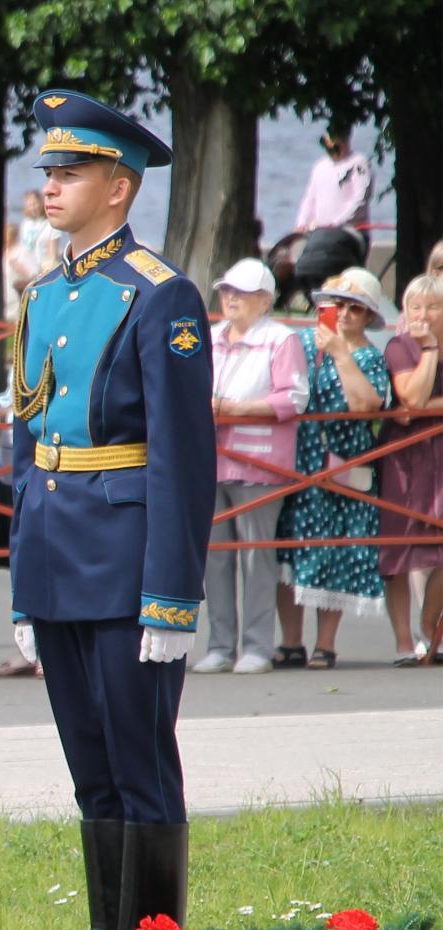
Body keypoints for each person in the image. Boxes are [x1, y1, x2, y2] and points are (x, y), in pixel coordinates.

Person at [10, 89, 214, 930]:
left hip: (127, 557)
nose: (51, 185)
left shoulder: (159, 295)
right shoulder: (43, 296)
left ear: (119, 187)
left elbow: (181, 458)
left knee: (139, 764)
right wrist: (23, 586)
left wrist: (171, 597)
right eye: (48, 170)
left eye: (70, 171)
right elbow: (24, 450)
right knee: (88, 767)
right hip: (56, 555)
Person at [274, 268, 393, 669]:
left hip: (347, 465)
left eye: (354, 308)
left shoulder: (368, 357)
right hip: (300, 464)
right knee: (290, 554)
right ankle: (290, 642)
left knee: (338, 554)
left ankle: (326, 644)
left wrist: (342, 354)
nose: (343, 314)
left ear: (367, 317)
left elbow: (366, 406)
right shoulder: (302, 343)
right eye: (335, 304)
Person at [196, 259, 307, 676]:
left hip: (258, 461)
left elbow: (293, 398)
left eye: (240, 293)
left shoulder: (281, 339)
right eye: (226, 291)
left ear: (264, 300)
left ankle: (257, 646)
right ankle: (221, 645)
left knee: (257, 557)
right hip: (212, 460)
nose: (230, 299)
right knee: (215, 556)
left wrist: (240, 409)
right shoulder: (210, 337)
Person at [379, 276, 443, 662]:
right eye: (414, 306)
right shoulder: (399, 346)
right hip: (406, 457)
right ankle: (404, 642)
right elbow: (413, 398)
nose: (422, 315)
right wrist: (430, 350)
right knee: (398, 547)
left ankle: (429, 623)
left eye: (432, 306)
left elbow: (418, 409)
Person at [293, 126, 375, 236]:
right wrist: (301, 224)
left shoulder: (359, 164)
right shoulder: (320, 166)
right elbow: (310, 198)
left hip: (349, 232)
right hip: (320, 232)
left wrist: (336, 224)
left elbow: (360, 200)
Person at [6, 189, 61, 316]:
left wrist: (46, 270)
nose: (33, 207)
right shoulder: (25, 224)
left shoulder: (50, 225)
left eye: (35, 204)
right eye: (29, 204)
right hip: (26, 266)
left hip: (41, 268)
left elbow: (52, 254)